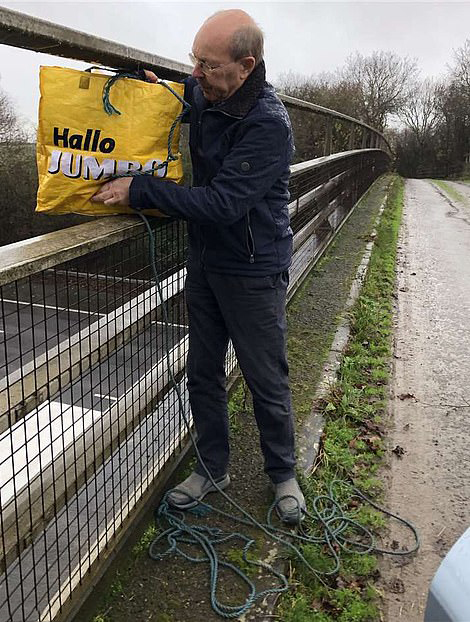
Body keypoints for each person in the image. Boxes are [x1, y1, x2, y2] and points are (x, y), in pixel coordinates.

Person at [92, 9, 306, 523]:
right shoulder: (211, 92)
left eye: (206, 65)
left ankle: (283, 474)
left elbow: (223, 203)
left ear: (246, 66)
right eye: (195, 60)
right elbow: (183, 95)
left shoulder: (268, 125)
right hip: (206, 261)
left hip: (253, 269)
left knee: (265, 378)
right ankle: (213, 468)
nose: (196, 73)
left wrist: (139, 189)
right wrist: (153, 88)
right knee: (202, 372)